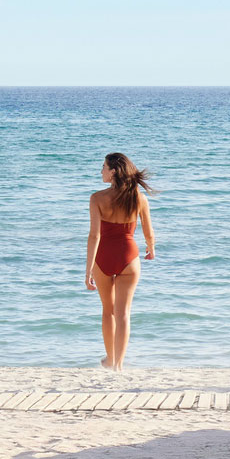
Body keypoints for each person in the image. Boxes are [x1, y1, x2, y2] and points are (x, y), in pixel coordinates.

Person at [84, 152, 156, 368]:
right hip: (129, 256)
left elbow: (94, 236)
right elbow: (149, 232)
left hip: (104, 257)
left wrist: (88, 270)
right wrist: (151, 249)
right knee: (123, 313)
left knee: (108, 311)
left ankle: (110, 359)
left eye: (104, 167)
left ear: (113, 171)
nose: (101, 171)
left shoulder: (97, 198)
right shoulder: (138, 198)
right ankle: (119, 365)